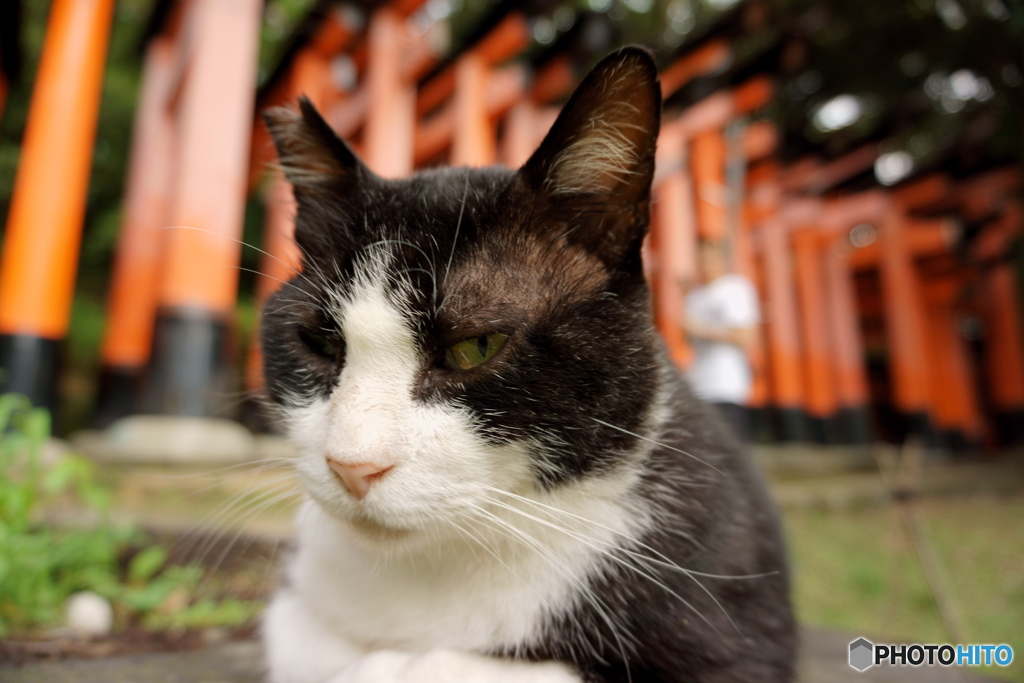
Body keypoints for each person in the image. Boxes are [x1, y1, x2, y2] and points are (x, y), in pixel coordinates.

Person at [681, 239, 760, 441]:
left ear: (721, 259)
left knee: (730, 449)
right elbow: (688, 338)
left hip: (727, 383)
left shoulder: (734, 288)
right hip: (699, 385)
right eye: (701, 260)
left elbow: (743, 335)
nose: (706, 265)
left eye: (710, 258)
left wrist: (700, 330)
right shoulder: (694, 297)